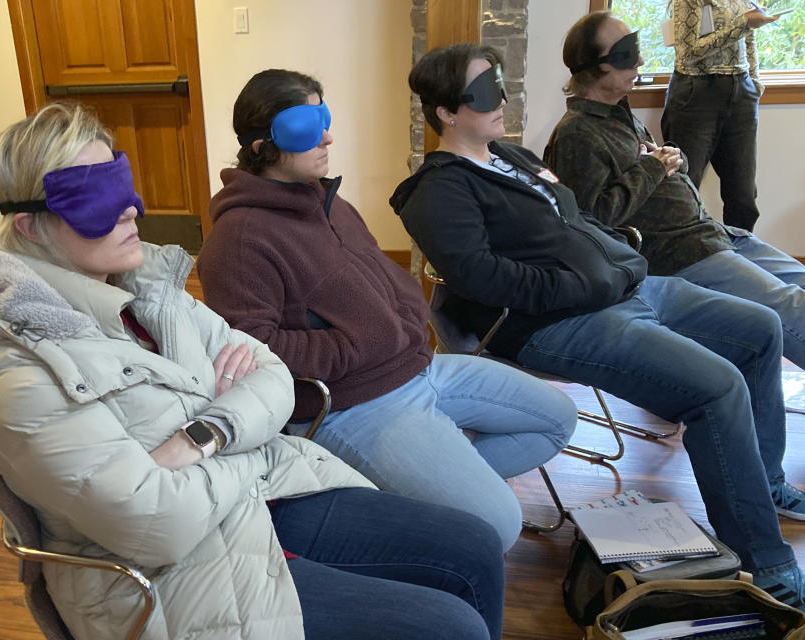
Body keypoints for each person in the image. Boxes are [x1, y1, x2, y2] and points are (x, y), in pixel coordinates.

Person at [0, 103, 508, 640]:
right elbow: (159, 525)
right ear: (29, 225)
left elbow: (273, 372)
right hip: (177, 573)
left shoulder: (149, 288)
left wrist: (202, 436)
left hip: (263, 493)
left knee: (476, 545)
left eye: (121, 183)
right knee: (450, 627)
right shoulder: (19, 379)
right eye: (96, 199)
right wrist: (239, 423)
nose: (129, 208)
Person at [390, 43, 805, 625]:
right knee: (716, 387)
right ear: (447, 111)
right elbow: (481, 279)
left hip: (623, 289)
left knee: (759, 326)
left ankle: (764, 479)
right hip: (556, 323)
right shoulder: (439, 189)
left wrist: (618, 260)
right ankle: (770, 569)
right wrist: (580, 286)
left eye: (499, 84)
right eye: (484, 93)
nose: (502, 99)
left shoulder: (512, 157)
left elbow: (575, 221)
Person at [196, 69, 577, 554]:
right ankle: (425, 495)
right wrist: (355, 344)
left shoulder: (331, 203)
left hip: (420, 368)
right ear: (261, 144)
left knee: (557, 418)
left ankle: (424, 487)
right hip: (354, 405)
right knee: (497, 528)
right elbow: (252, 347)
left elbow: (383, 279)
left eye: (325, 117)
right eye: (307, 126)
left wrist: (401, 315)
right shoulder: (240, 238)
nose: (328, 135)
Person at [546, 11, 805, 410]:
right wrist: (651, 167)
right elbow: (591, 220)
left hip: (712, 235)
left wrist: (665, 161)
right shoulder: (577, 132)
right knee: (798, 309)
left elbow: (639, 178)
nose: (641, 63)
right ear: (596, 67)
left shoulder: (618, 114)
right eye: (629, 55)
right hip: (679, 256)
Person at [660, 0, 779, 231]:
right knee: (684, 189)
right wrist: (744, 24)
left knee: (743, 195)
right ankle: (682, 259)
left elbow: (749, 38)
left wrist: (754, 83)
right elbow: (689, 52)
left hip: (741, 92)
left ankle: (742, 259)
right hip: (697, 92)